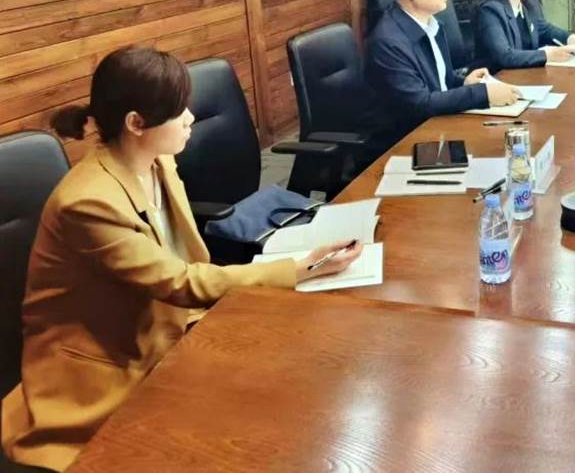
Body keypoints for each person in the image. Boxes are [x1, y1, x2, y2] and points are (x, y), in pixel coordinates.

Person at [1, 47, 361, 471]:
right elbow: (178, 282)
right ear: (136, 123)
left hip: (162, 326)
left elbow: (181, 267)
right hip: (101, 369)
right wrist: (297, 269)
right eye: (178, 111)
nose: (190, 117)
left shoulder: (158, 161)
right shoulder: (87, 203)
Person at [366, 0, 520, 147]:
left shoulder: (432, 25)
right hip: (406, 143)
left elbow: (439, 83)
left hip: (438, 128)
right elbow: (420, 104)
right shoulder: (389, 42)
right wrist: (484, 94)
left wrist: (463, 82)